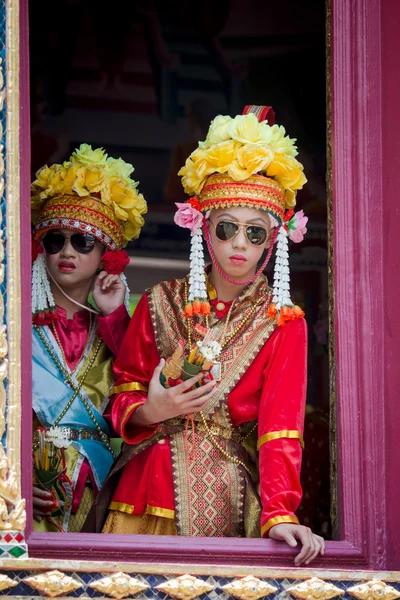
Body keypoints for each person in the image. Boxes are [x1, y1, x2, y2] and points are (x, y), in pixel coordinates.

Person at [88, 106, 325, 565]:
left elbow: (281, 430)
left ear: (272, 241)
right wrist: (151, 410)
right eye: (226, 228)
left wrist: (280, 512)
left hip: (226, 491)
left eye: (255, 232)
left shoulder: (284, 323)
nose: (240, 243)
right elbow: (123, 392)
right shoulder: (158, 300)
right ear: (203, 229)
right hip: (143, 488)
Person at [31, 144, 147, 532]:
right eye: (55, 240)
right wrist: (7, 482)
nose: (66, 251)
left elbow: (142, 392)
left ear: (105, 255)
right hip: (25, 489)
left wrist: (114, 313)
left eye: (82, 242)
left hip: (97, 493)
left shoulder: (119, 329)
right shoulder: (15, 327)